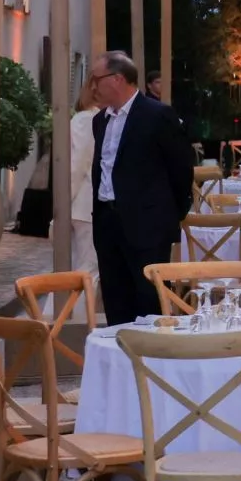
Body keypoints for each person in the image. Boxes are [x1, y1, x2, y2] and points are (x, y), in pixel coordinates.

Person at [89, 51, 195, 325]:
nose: (92, 87)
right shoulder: (100, 121)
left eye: (96, 79)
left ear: (117, 79)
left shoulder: (157, 115)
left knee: (148, 301)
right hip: (107, 221)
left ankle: (151, 362)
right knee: (115, 297)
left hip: (147, 225)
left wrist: (170, 215)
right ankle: (120, 359)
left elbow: (181, 169)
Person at [69, 79, 101, 280]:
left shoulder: (90, 118)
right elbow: (76, 164)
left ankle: (62, 311)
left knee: (85, 266)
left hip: (86, 203)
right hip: (84, 202)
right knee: (88, 269)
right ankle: (65, 312)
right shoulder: (87, 119)